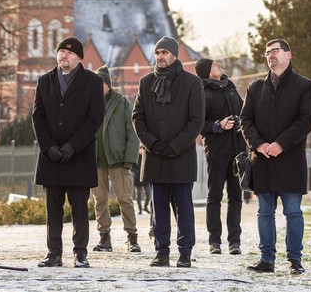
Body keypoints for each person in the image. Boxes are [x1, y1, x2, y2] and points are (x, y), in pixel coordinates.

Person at [240, 39, 311, 275]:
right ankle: (267, 260)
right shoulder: (255, 88)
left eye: (275, 51)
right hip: (262, 161)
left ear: (288, 55)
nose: (270, 55)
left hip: (290, 161)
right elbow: (246, 121)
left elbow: (305, 121)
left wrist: (280, 144)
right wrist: (259, 144)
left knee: (293, 211)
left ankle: (295, 260)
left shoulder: (304, 86)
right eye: (267, 52)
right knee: (264, 212)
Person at [33, 36, 106, 268]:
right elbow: (37, 117)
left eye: (70, 52)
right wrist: (48, 147)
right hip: (51, 157)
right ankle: (53, 252)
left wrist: (73, 145)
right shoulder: (44, 81)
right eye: (61, 51)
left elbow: (95, 118)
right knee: (53, 209)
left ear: (79, 58)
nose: (65, 55)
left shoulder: (93, 82)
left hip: (79, 156)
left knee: (80, 209)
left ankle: (80, 252)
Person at [133, 36, 204, 268]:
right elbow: (137, 118)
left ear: (174, 54)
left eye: (164, 52)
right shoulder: (145, 82)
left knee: (184, 209)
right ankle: (161, 252)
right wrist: (153, 144)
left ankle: (185, 253)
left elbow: (196, 120)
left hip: (181, 157)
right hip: (155, 157)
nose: (160, 56)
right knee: (159, 209)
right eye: (157, 52)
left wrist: (175, 146)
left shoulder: (192, 83)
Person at [90, 65, 142, 253]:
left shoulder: (122, 102)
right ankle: (104, 238)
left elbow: (133, 133)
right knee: (99, 201)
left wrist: (129, 160)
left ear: (108, 84)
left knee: (125, 199)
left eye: (101, 83)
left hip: (119, 161)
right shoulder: (89, 103)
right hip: (96, 161)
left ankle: (132, 237)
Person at [197, 57, 245, 256]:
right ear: (207, 71)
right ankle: (214, 241)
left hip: (237, 150)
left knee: (236, 196)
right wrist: (218, 125)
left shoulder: (231, 87)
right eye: (214, 64)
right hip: (216, 151)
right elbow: (198, 124)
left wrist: (240, 121)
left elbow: (245, 111)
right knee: (215, 196)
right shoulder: (202, 92)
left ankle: (235, 241)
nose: (219, 65)